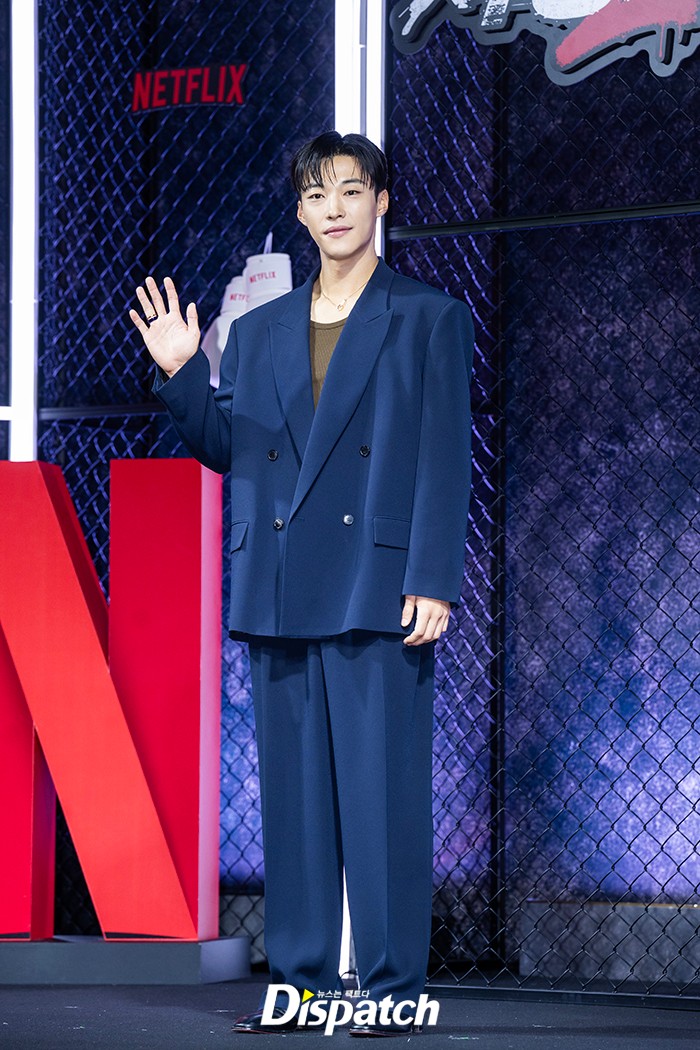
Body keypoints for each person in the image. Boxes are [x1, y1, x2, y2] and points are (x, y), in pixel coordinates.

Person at [129, 131, 473, 1037]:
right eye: (317, 196)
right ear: (299, 213)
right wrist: (182, 372)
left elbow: (446, 456)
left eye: (351, 191)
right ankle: (303, 985)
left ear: (381, 202)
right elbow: (229, 449)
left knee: (382, 799)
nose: (334, 209)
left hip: (378, 585)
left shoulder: (427, 317)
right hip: (278, 586)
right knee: (295, 807)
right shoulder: (256, 331)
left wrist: (433, 576)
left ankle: (393, 992)